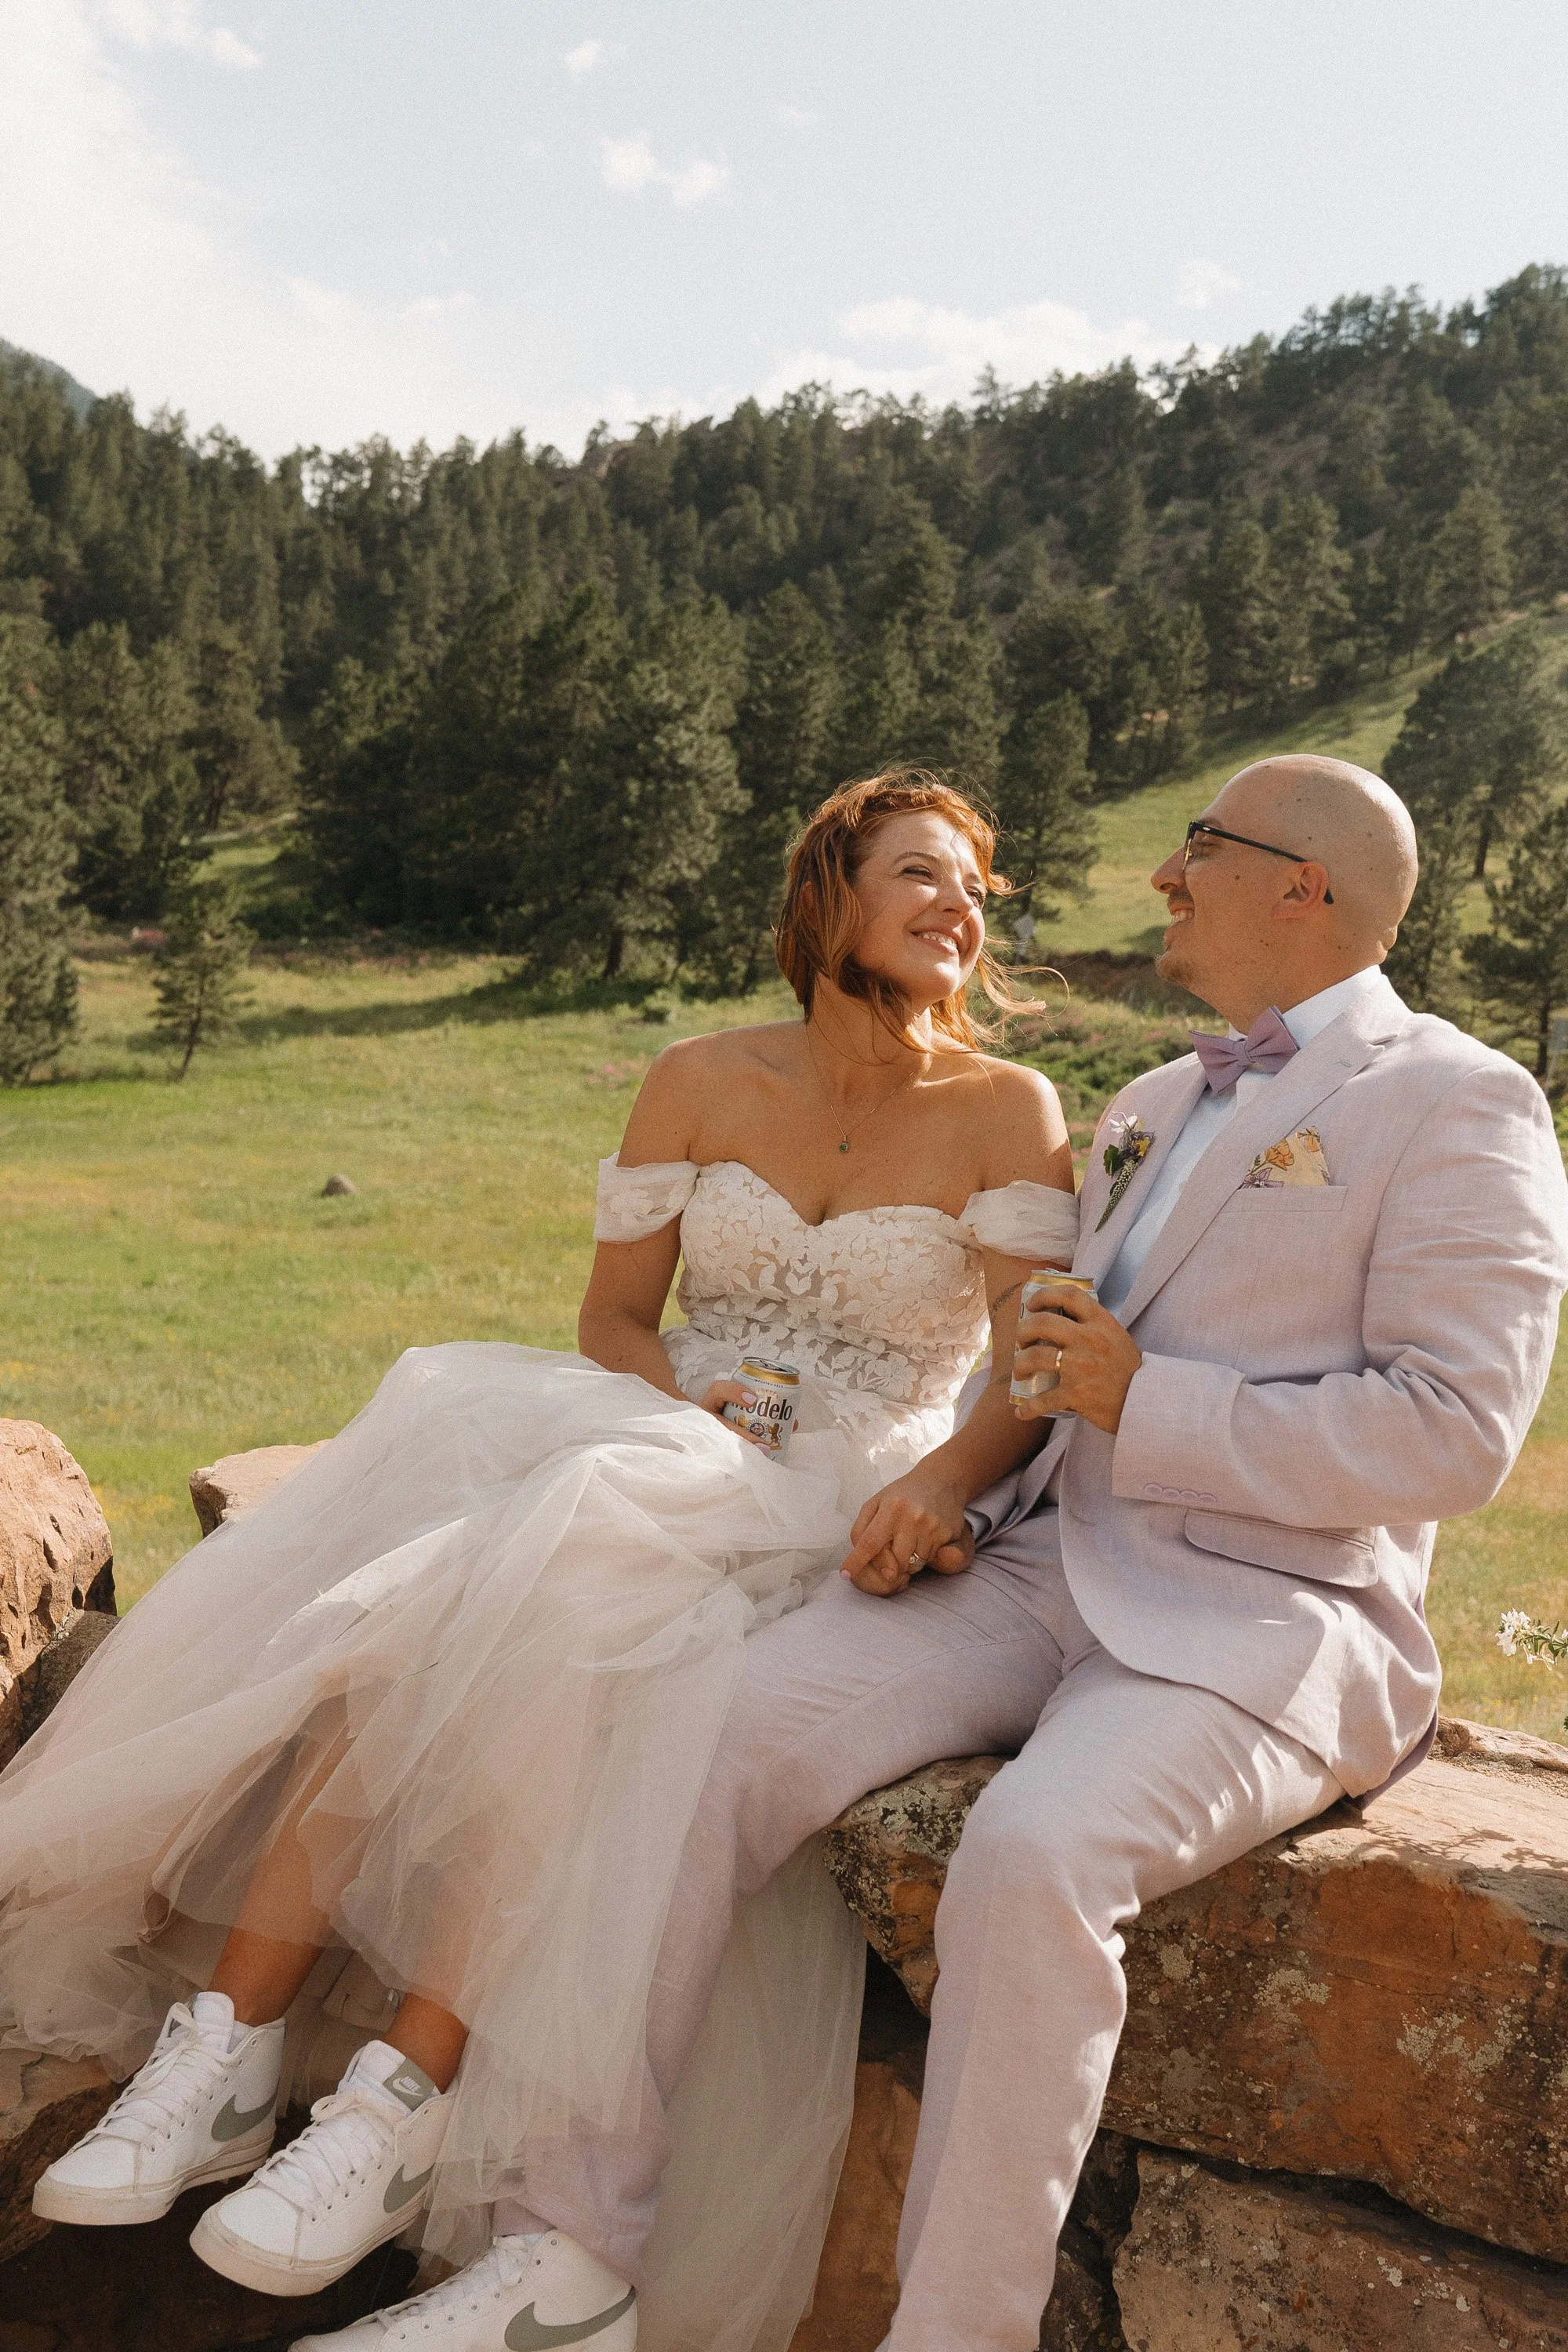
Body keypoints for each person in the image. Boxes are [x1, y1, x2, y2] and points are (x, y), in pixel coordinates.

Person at [299, 752, 1566, 2352]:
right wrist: (955, 1490)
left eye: (1196, 851)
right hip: (1027, 1575)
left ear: (1300, 887)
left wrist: (1149, 1401)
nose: (1163, 881)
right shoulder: (1155, 1104)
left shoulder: (1460, 1100)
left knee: (1031, 1857)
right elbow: (1034, 1354)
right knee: (700, 1734)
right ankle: (570, 2260)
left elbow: (1453, 1434)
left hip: (1267, 1622)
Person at [2, 770, 1078, 2348]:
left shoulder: (1009, 1111)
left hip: (852, 1488)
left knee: (547, 1605)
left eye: (976, 887)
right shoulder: (700, 1075)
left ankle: (394, 2101)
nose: (960, 908)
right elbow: (615, 1320)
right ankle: (223, 2050)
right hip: (669, 1434)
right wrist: (676, 1415)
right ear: (826, 893)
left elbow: (1021, 1368)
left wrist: (947, 1494)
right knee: (415, 1612)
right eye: (921, 872)